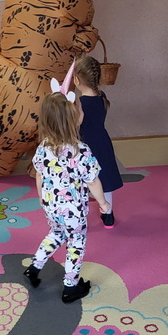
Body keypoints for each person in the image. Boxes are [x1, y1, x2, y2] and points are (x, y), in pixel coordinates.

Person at [24, 88, 111, 303]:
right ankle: (70, 287)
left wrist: (41, 197)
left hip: (50, 206)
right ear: (74, 119)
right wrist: (103, 203)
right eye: (80, 109)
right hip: (73, 212)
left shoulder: (43, 147)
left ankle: (34, 267)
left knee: (55, 234)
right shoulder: (81, 150)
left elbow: (39, 175)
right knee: (76, 243)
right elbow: (93, 181)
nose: (83, 112)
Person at [73, 55, 122, 229]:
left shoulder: (80, 103)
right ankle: (108, 215)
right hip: (102, 142)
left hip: (84, 145)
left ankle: (77, 217)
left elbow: (76, 124)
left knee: (79, 182)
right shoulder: (102, 97)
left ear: (76, 80)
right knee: (104, 180)